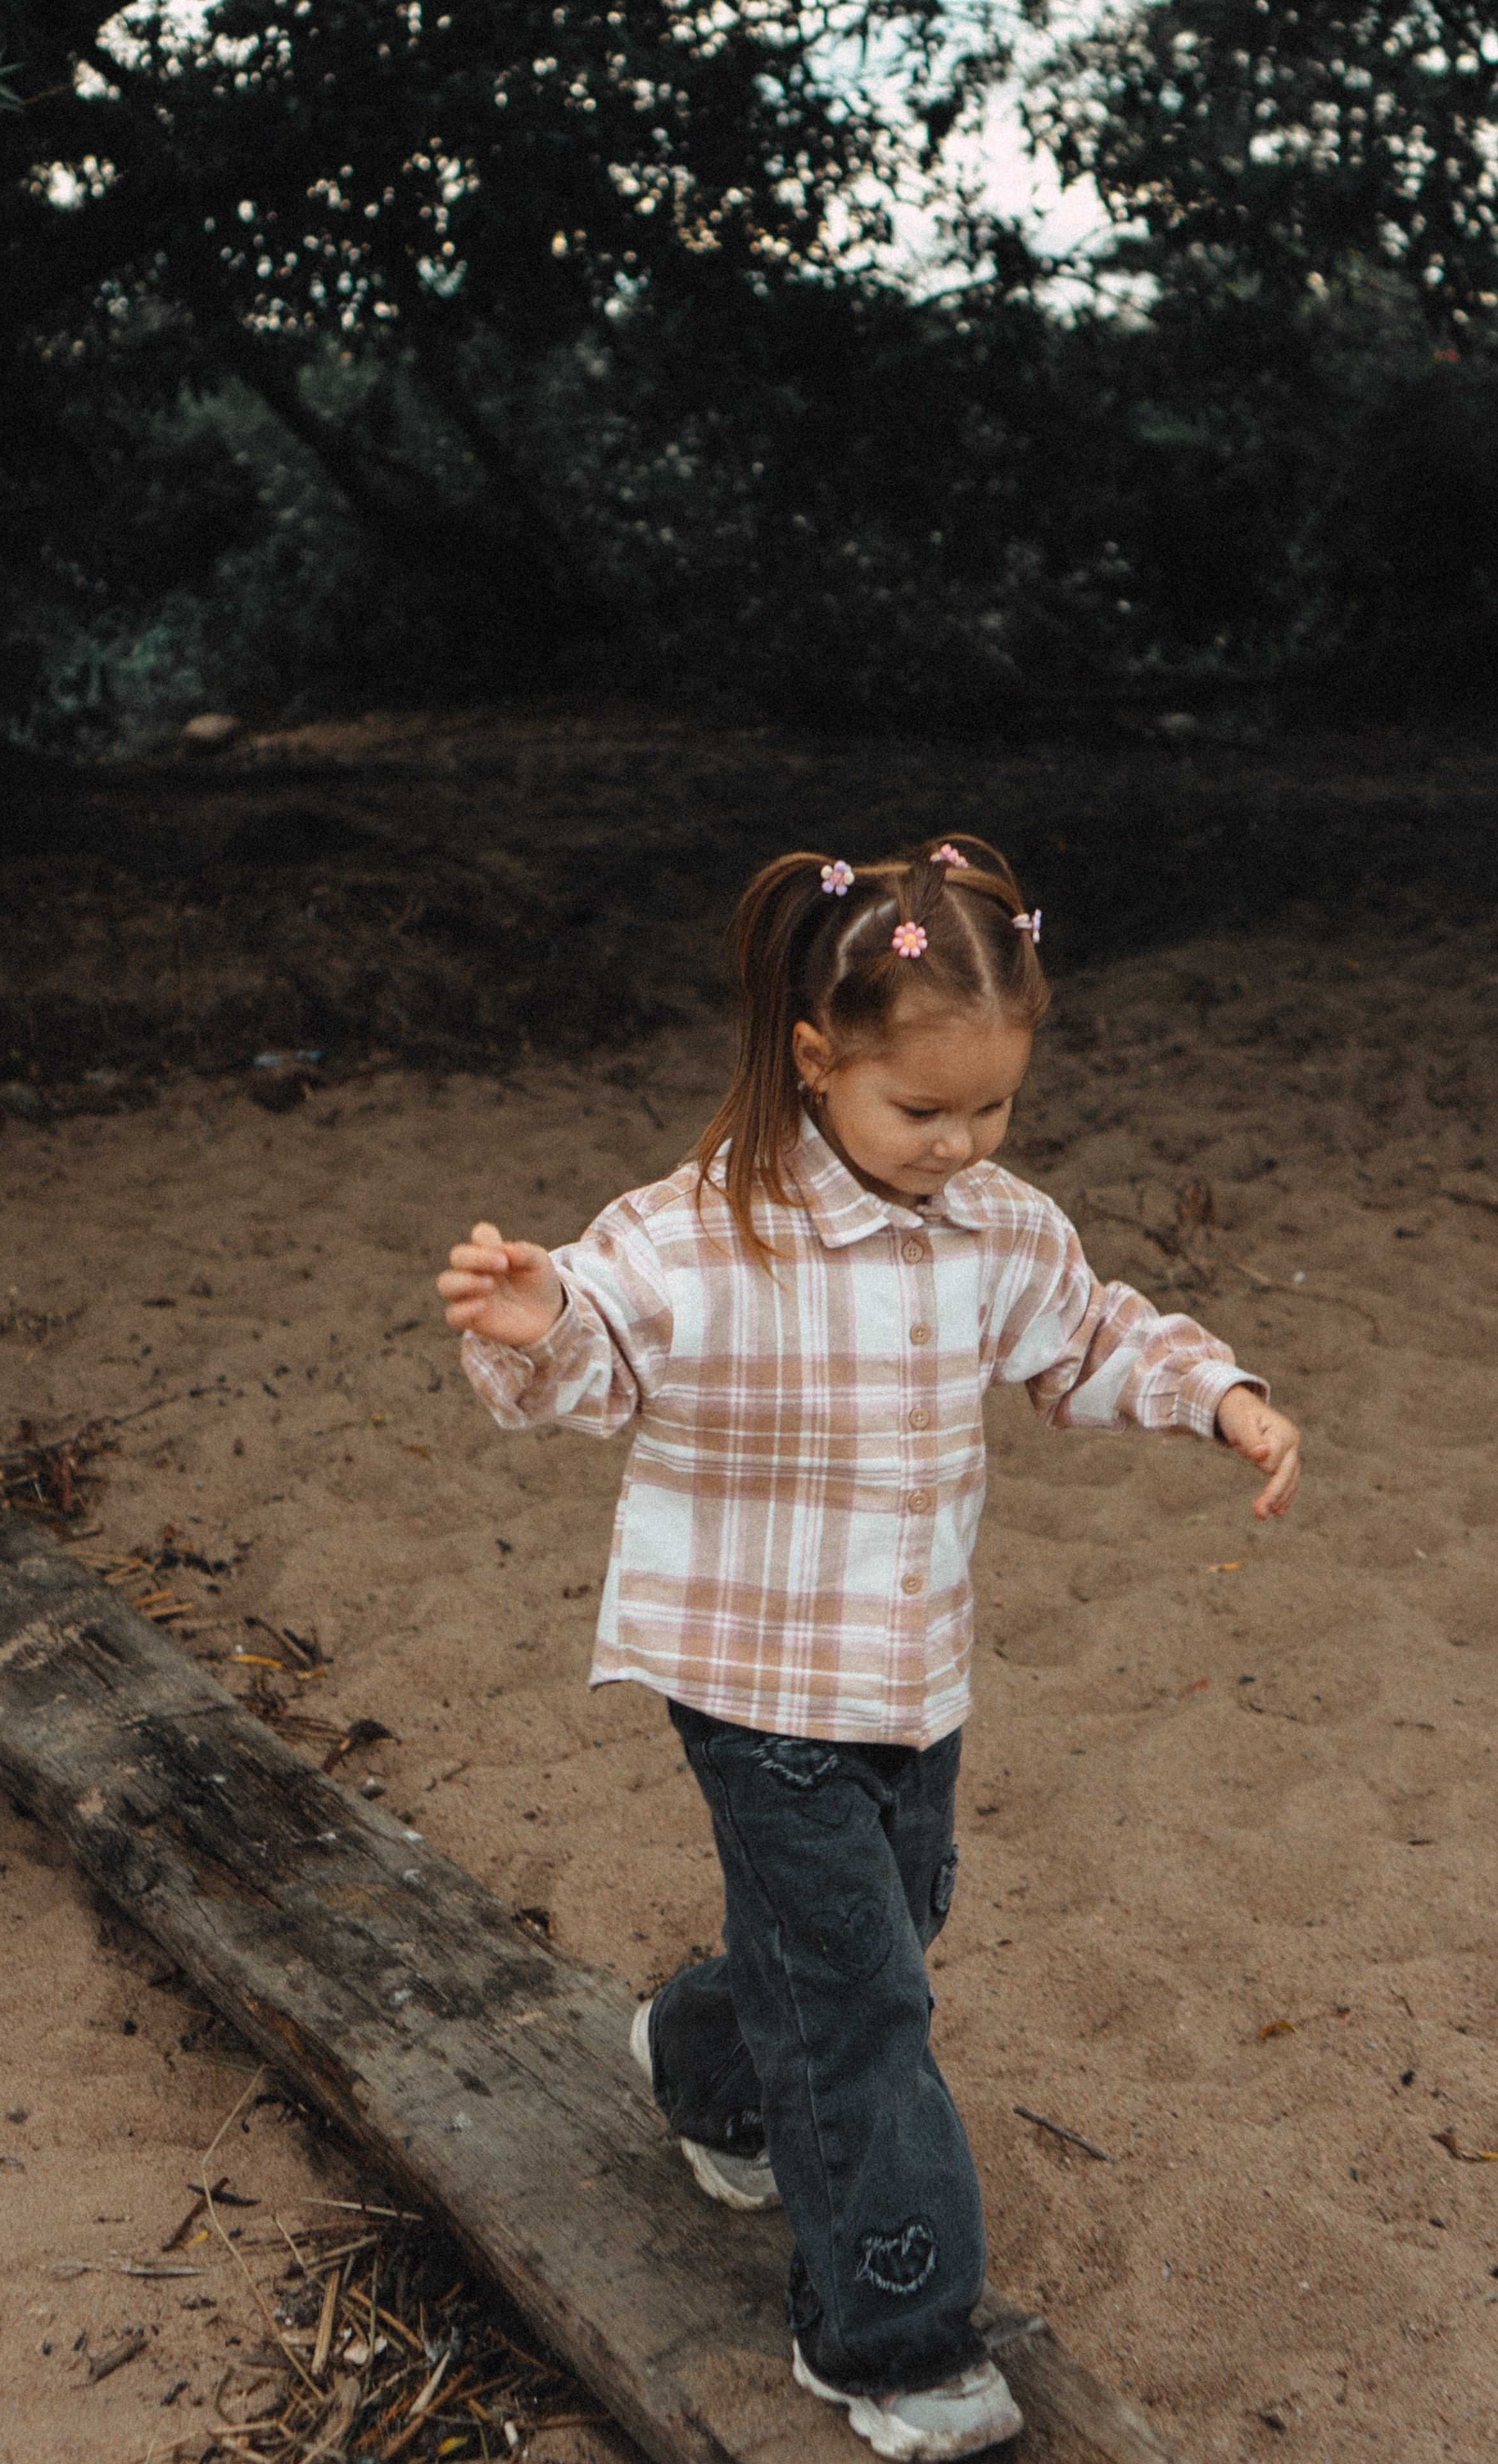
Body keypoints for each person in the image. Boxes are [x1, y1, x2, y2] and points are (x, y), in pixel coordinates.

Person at [438, 838, 1301, 2461]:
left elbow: (1092, 1332)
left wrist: (1218, 1395)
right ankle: (889, 2338)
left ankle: (698, 2062)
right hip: (749, 1676)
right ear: (816, 1059)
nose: (960, 1144)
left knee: (894, 1921)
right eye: (922, 1113)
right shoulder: (702, 1230)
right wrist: (539, 1318)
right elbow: (598, 1350)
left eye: (990, 1110)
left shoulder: (994, 1224)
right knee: (861, 2004)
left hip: (907, 1675)